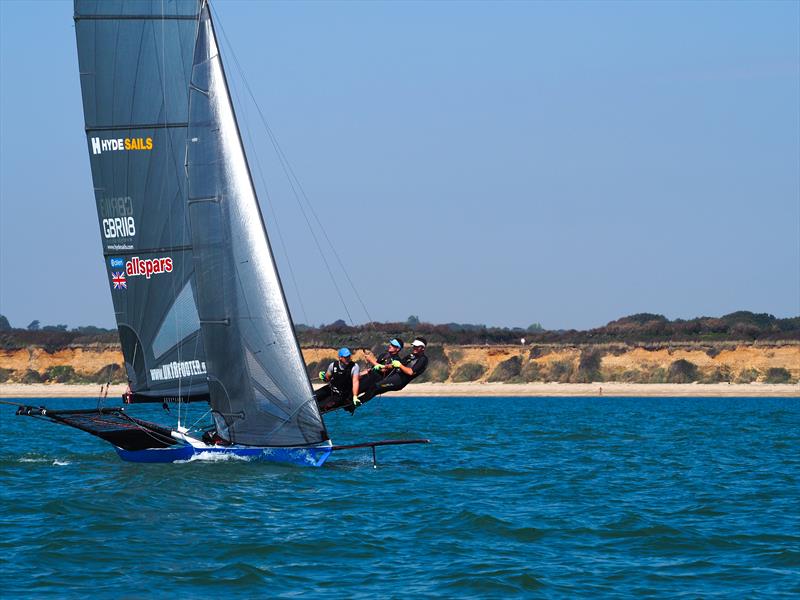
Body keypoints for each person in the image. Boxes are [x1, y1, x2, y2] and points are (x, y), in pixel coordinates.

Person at [356, 337, 429, 405]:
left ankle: (356, 403)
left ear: (422, 348)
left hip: (399, 382)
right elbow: (394, 365)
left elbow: (410, 372)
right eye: (414, 346)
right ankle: (353, 403)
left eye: (417, 346)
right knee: (374, 388)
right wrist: (386, 366)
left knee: (375, 387)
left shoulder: (423, 359)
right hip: (395, 377)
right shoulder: (411, 355)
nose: (414, 348)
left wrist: (399, 365)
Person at [314, 347, 361, 414]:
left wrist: (355, 396)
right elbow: (327, 378)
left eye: (349, 356)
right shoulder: (333, 365)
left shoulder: (354, 367)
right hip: (330, 389)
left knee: (322, 406)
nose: (348, 359)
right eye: (345, 357)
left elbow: (355, 382)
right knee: (312, 396)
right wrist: (323, 376)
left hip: (341, 395)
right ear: (340, 358)